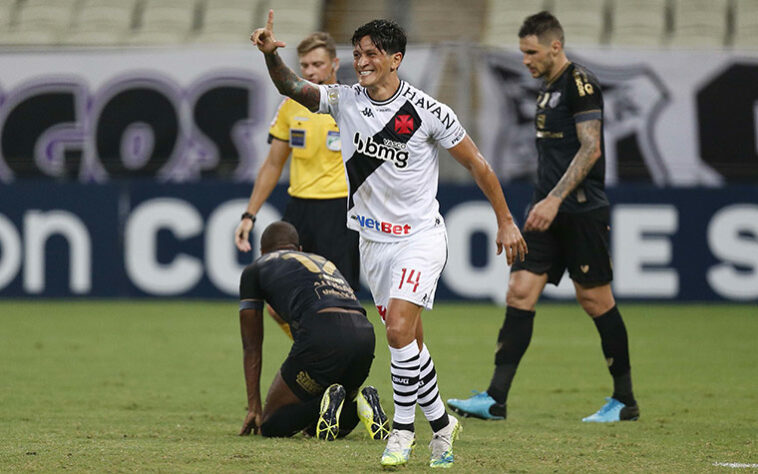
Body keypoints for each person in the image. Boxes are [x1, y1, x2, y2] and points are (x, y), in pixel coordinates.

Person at [251, 11, 527, 469]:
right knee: (410, 343)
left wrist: (505, 220)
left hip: (420, 237)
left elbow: (479, 164)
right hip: (373, 242)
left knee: (398, 329)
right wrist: (269, 58)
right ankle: (441, 425)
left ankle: (402, 431)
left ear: (395, 59)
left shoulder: (429, 111)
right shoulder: (344, 100)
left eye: (371, 54)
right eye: (357, 54)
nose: (361, 62)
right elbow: (291, 88)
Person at [447, 11, 640, 424]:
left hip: (581, 210)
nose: (525, 60)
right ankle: (495, 399)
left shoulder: (579, 83)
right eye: (521, 52)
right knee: (519, 291)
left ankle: (624, 400)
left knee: (595, 299)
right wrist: (545, 202)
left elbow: (591, 149)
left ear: (556, 47)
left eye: (531, 52)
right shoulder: (546, 89)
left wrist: (553, 199)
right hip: (546, 211)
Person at [238, 221, 390, 441]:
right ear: (298, 249)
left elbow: (251, 345)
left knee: (272, 425)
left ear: (262, 252)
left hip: (323, 331)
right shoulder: (322, 260)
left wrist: (254, 407)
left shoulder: (256, 268)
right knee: (317, 430)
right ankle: (359, 405)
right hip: (365, 335)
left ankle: (329, 403)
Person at [235, 31, 360, 292]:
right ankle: (309, 336)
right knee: (278, 296)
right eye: (304, 65)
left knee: (339, 296)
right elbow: (273, 164)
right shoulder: (290, 107)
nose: (310, 71)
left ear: (335, 64)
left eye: (318, 64)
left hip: (338, 210)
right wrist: (249, 215)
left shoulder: (351, 104)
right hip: (299, 211)